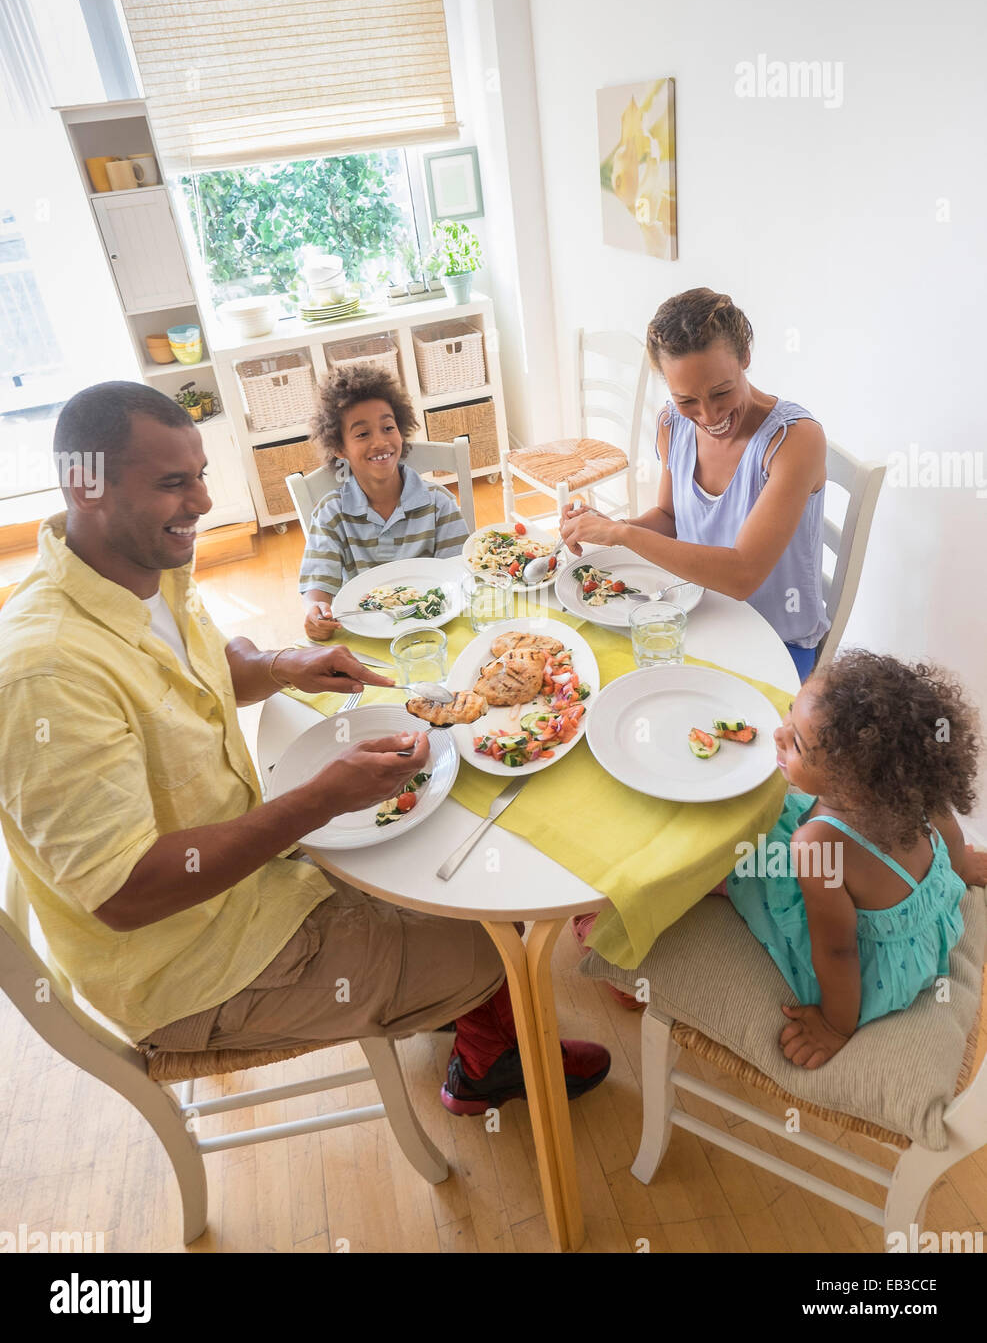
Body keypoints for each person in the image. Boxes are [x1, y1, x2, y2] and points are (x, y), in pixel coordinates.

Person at [0, 381, 609, 1115]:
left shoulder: (144, 568)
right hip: (195, 963)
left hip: (265, 869)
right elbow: (126, 895)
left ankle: (456, 1010)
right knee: (499, 941)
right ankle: (487, 1063)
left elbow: (196, 668)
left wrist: (277, 667)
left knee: (473, 864)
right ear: (85, 486)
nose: (200, 503)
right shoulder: (45, 671)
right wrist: (320, 800)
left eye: (198, 476)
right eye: (171, 483)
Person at [717, 650, 986, 1069]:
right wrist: (960, 869)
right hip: (929, 919)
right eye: (790, 716)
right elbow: (949, 828)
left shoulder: (816, 843)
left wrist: (835, 1025)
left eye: (798, 744)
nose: (778, 733)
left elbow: (838, 950)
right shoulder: (910, 787)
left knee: (737, 864)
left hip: (871, 968)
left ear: (851, 784)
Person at [561, 287, 830, 683]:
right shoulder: (673, 424)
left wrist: (622, 534)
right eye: (687, 400)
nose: (708, 415)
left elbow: (743, 575)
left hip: (775, 643)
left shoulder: (794, 440)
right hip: (696, 617)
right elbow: (670, 518)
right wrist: (608, 527)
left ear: (746, 357)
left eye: (721, 392)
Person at [300, 366, 469, 640]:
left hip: (436, 629)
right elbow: (317, 587)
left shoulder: (438, 504)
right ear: (339, 448)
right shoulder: (331, 515)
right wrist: (315, 610)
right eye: (362, 434)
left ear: (401, 432)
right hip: (365, 634)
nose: (380, 441)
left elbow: (461, 575)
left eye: (388, 428)